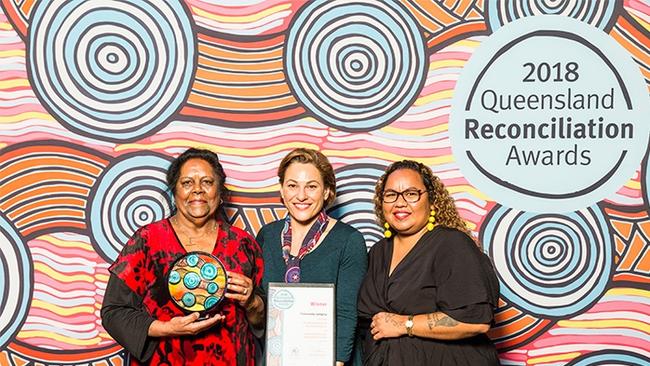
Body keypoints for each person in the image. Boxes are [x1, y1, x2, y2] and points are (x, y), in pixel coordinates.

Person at [101, 148, 264, 365]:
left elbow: (266, 320)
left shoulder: (243, 243)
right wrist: (166, 329)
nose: (197, 190)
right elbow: (114, 311)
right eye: (187, 183)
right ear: (174, 191)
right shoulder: (148, 240)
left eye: (207, 182)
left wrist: (252, 302)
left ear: (220, 191)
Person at [357, 160, 500, 365]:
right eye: (391, 195)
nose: (400, 203)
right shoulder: (378, 252)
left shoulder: (451, 244)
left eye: (411, 193)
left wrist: (404, 324)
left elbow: (476, 320)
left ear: (432, 201)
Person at [256, 148, 368, 365]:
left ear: (326, 191)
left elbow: (347, 312)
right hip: (277, 356)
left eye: (312, 186)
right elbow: (261, 306)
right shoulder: (267, 236)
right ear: (282, 190)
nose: (301, 196)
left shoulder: (349, 240)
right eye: (292, 185)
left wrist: (338, 361)